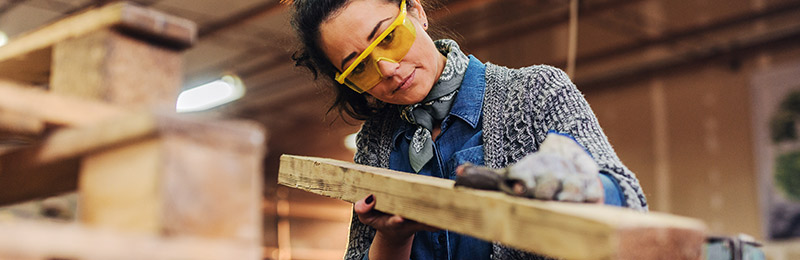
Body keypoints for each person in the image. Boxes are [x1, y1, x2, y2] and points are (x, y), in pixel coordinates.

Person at [290, 0, 648, 259]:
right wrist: (393, 240)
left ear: (417, 12)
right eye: (360, 67)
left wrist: (582, 186)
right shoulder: (375, 142)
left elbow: (632, 208)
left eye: (387, 38)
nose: (387, 69)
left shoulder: (536, 91)